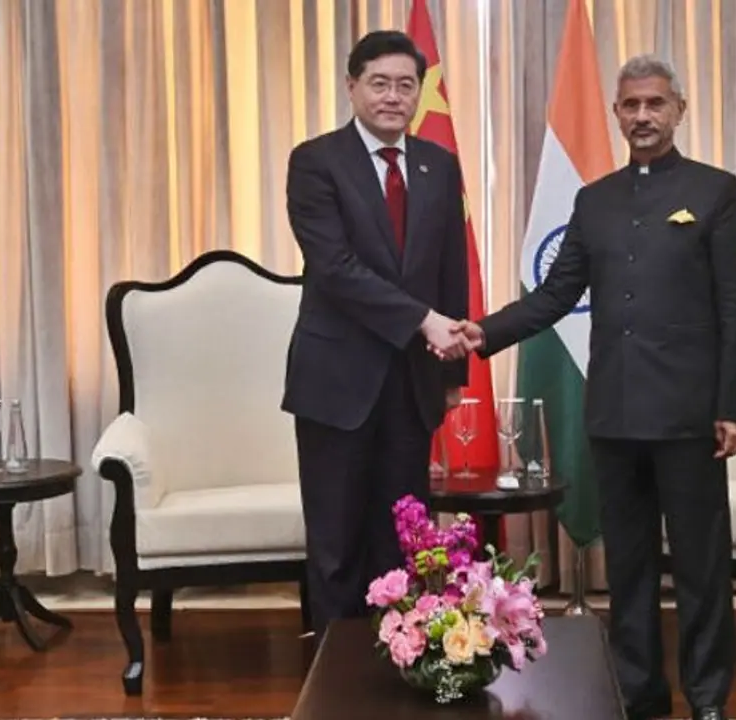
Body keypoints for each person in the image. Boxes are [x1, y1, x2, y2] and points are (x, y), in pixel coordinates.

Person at [451, 55, 736, 720]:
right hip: (614, 413)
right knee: (630, 568)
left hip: (689, 416)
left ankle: (707, 699)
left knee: (701, 568)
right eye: (631, 105)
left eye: (655, 104)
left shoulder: (713, 191)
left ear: (678, 110)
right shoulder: (595, 201)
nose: (642, 116)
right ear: (616, 113)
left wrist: (732, 406)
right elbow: (556, 294)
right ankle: (640, 695)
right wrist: (484, 332)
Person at [282, 30, 470, 639]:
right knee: (337, 542)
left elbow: (450, 270)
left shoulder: (438, 165)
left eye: (405, 85)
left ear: (419, 92)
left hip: (411, 382)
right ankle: (335, 676)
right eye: (379, 83)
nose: (393, 96)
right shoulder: (315, 162)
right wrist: (422, 320)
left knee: (403, 537)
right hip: (336, 383)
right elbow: (335, 268)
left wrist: (452, 372)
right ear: (352, 86)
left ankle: (398, 661)